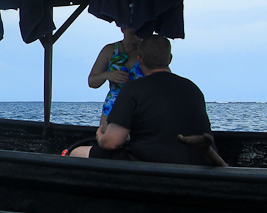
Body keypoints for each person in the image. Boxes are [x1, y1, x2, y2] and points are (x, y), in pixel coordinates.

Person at [71, 35, 213, 165]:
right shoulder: (192, 88)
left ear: (140, 60)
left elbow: (111, 143)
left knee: (77, 153)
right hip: (196, 161)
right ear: (169, 59)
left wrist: (101, 137)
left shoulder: (133, 89)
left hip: (148, 161)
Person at [87, 26, 144, 127]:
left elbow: (164, 76)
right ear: (123, 29)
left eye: (139, 33)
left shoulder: (148, 51)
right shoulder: (110, 50)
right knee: (109, 141)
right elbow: (92, 82)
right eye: (132, 34)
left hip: (142, 108)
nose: (136, 37)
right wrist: (107, 75)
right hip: (113, 108)